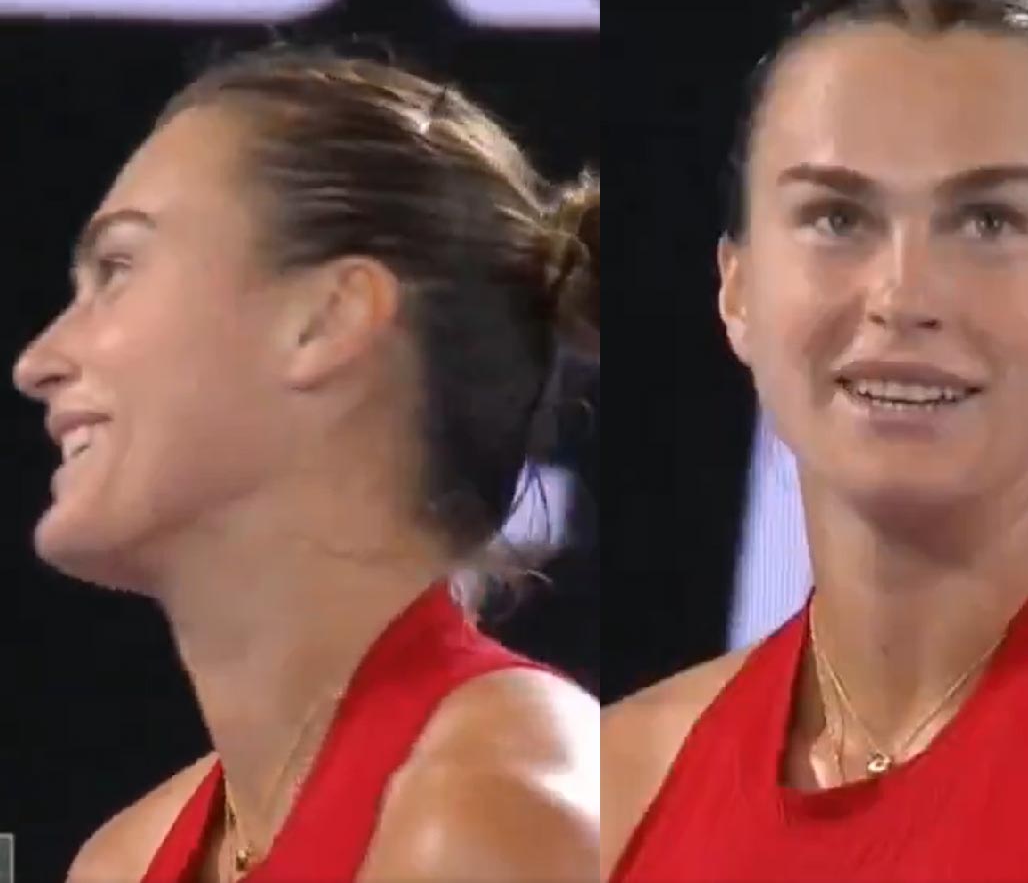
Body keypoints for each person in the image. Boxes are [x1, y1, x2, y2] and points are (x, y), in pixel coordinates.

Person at [602, 0, 1028, 881]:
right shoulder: (620, 786)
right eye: (837, 217)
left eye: (989, 220)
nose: (904, 295)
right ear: (737, 291)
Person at [14, 44, 599, 882]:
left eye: (118, 269)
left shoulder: (495, 813)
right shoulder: (120, 861)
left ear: (325, 320)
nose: (40, 359)